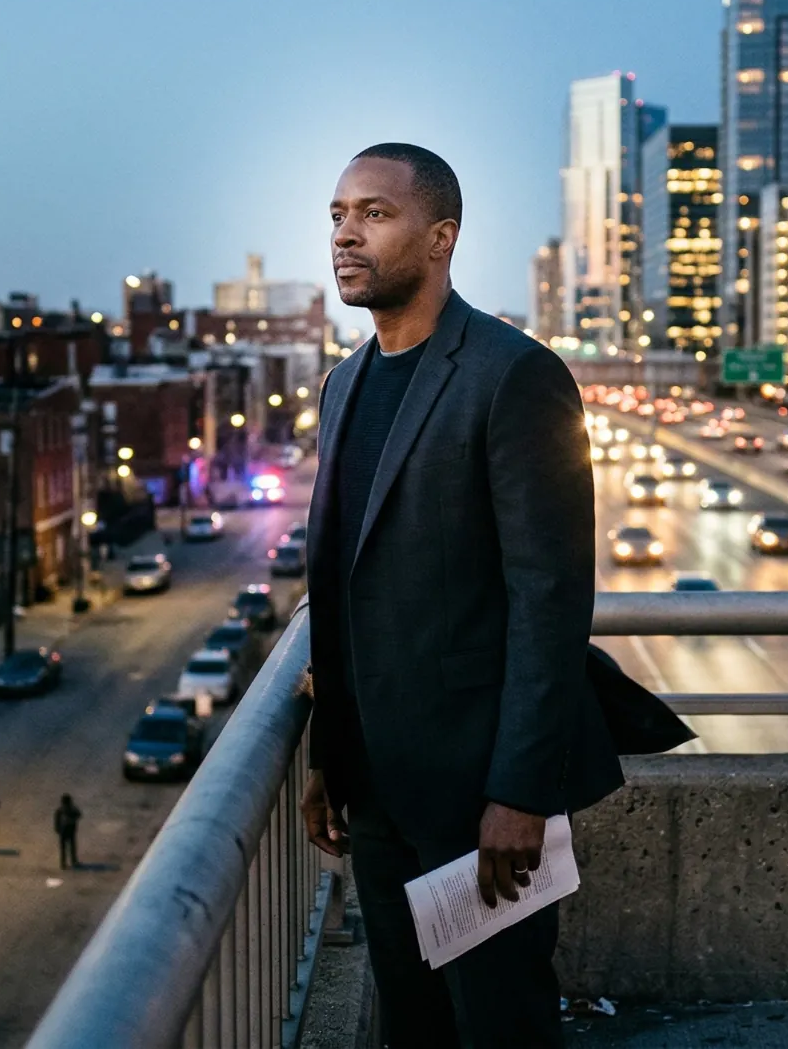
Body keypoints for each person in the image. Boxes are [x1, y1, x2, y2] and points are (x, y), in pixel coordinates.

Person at [300, 144, 623, 1048]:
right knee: (411, 1025)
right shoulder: (342, 387)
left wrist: (520, 791)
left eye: (374, 213)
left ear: (441, 237)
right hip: (375, 792)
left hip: (479, 797)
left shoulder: (514, 374)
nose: (346, 235)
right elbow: (343, 585)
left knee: (499, 1023)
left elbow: (549, 601)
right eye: (337, 215)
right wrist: (329, 754)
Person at [53, 794, 81, 870]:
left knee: (66, 848)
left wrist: (57, 829)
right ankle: (70, 862)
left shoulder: (61, 810)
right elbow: (79, 815)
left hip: (66, 831)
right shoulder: (68, 809)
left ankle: (65, 863)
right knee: (69, 847)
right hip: (68, 831)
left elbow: (56, 821)